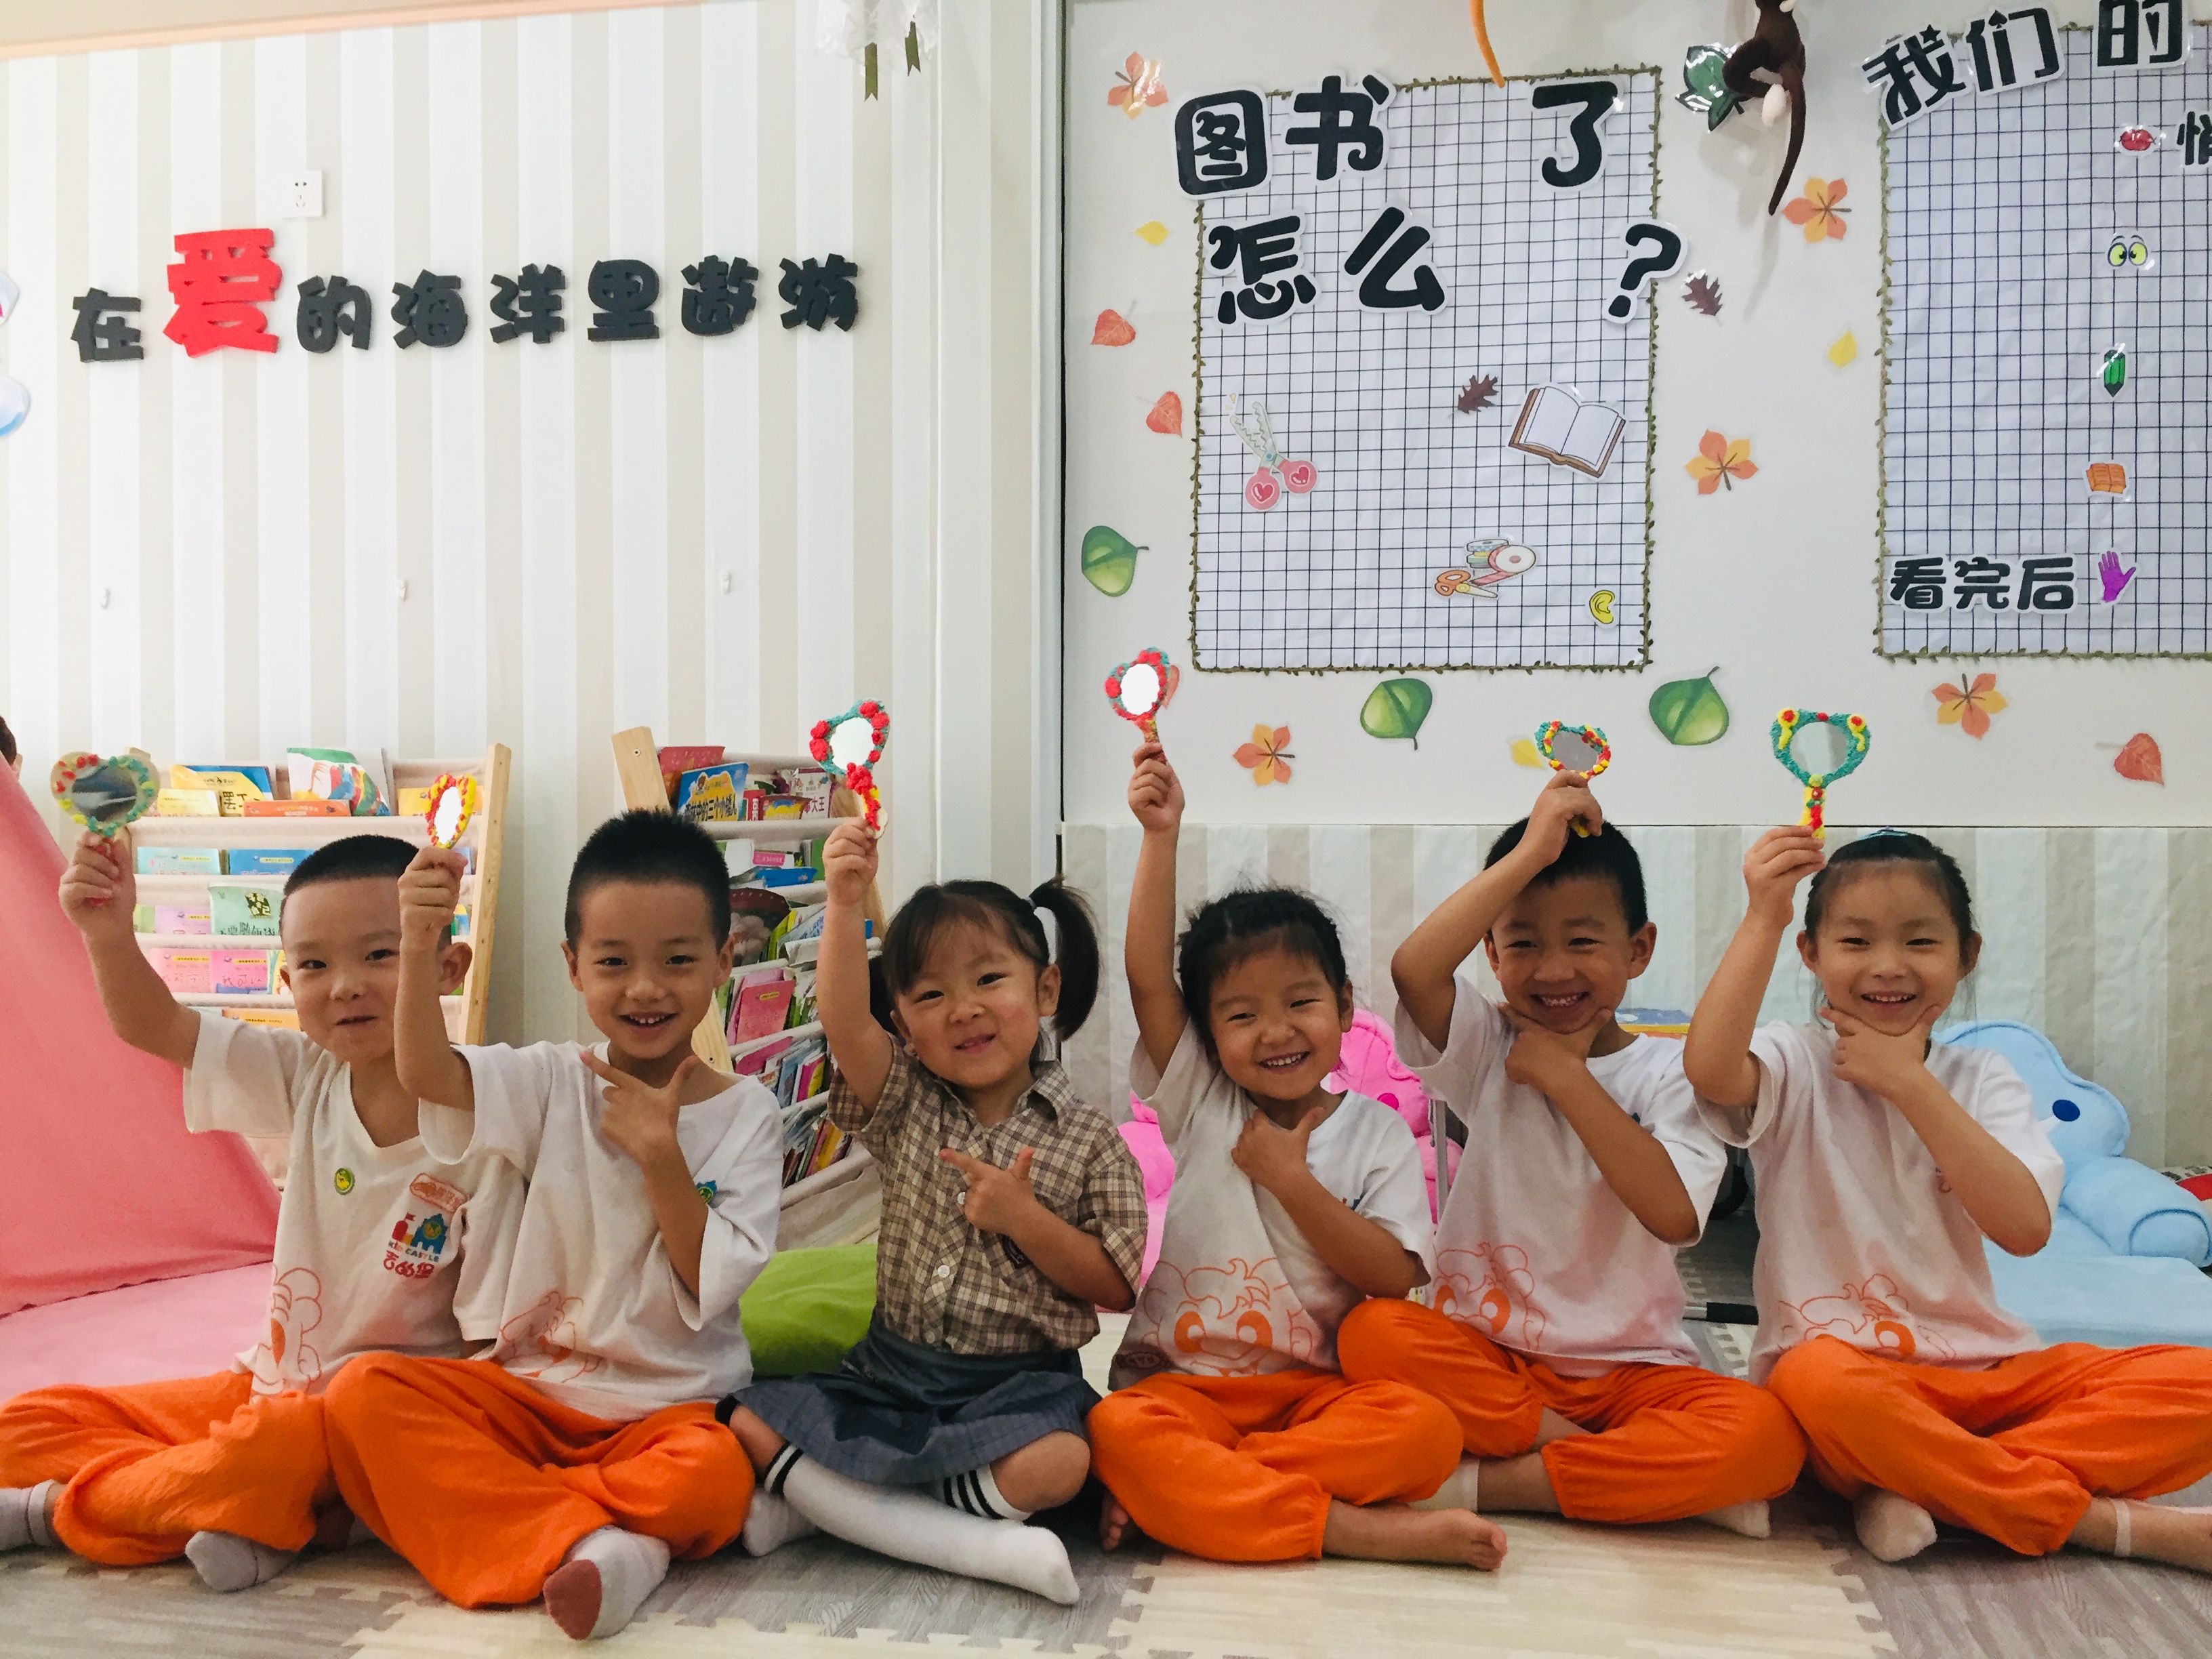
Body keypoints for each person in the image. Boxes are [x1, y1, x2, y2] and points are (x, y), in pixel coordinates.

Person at [0, 833, 520, 1592]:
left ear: (448, 965)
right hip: (266, 1388)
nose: (345, 986)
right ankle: (276, 1509)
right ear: (286, 980)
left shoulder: (490, 1126)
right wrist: (107, 934)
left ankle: (55, 1513)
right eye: (314, 965)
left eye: (380, 955)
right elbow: (155, 1026)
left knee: (266, 1456)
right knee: (26, 1424)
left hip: (369, 1425)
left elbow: (490, 1356)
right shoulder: (307, 1076)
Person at [1683, 826, 2212, 1571]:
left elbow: (2024, 1229)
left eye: (1921, 942)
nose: (1888, 966)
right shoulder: (1795, 1058)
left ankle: (1919, 1482)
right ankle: (2094, 1522)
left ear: (1967, 955)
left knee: (2198, 1383)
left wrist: (1910, 1082)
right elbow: (1710, 1070)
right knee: (1811, 1382)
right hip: (1844, 1380)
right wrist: (1764, 914)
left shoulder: (1983, 1076)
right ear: (1810, 954)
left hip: (1988, 1377)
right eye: (1856, 941)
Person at [322, 811, 781, 1640]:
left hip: (667, 1410)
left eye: (679, 961)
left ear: (723, 960)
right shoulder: (549, 1080)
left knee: (714, 1482)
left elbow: (706, 1280)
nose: (645, 989)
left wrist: (661, 1157)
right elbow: (425, 1071)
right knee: (363, 1392)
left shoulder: (748, 1112)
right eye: (614, 962)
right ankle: (601, 1541)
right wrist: (419, 943)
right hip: (530, 1395)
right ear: (573, 966)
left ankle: (525, 1520)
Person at [1336, 770, 1804, 1535]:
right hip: (1486, 1354)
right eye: (1523, 944)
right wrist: (1530, 852)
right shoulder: (1488, 1043)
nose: (1553, 970)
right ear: (1492, 956)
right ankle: (1607, 1467)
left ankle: (1484, 1484)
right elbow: (1415, 970)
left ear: (1638, 950)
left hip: (1632, 1373)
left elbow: (1674, 1216)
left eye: (1583, 942)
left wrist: (1565, 1076)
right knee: (1371, 1332)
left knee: (1769, 1438)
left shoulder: (1672, 1072)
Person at [1089, 741, 1504, 1570]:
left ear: (1345, 1006)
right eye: (1241, 1016)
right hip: (1181, 1385)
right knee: (1116, 1427)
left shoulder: (1376, 1133)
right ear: (1208, 1035)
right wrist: (1160, 836)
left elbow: (1393, 1277)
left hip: (1314, 1398)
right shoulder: (1202, 1096)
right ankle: (1351, 1529)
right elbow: (1146, 979)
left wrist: (1291, 1181)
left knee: (1425, 1432)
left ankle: (1201, 1487)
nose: (1276, 1031)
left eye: (1301, 1002)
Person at [723, 819, 1145, 1603]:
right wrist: (844, 900)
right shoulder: (905, 1101)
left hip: (1018, 1388)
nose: (963, 1010)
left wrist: (1026, 1221)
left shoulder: (1091, 1141)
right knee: (744, 1419)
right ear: (904, 1024)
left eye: (989, 980)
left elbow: (1116, 1285)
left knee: (1062, 1464)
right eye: (930, 995)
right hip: (891, 1375)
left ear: (1045, 989)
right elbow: (842, 1020)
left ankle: (823, 1509)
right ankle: (959, 1535)